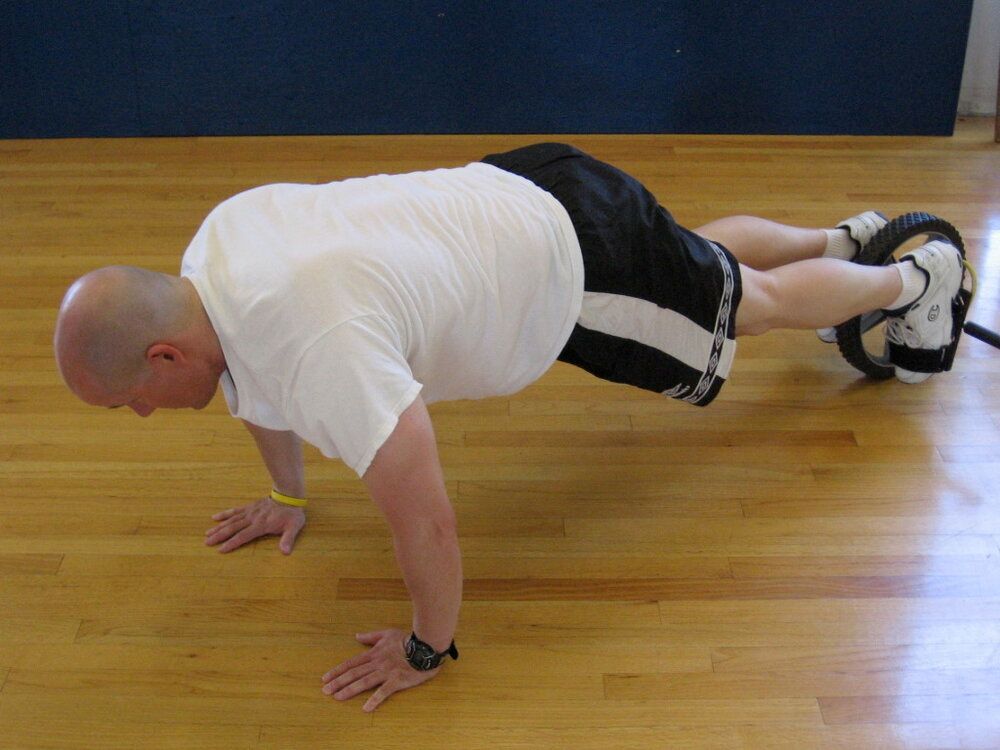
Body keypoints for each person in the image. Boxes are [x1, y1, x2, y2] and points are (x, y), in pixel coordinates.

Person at [53, 143, 963, 712]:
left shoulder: (320, 348)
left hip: (570, 271)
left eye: (124, 399)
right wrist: (288, 492)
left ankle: (916, 282)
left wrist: (427, 645)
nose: (135, 415)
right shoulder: (211, 256)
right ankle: (848, 240)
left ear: (165, 356)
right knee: (695, 262)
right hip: (524, 184)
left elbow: (428, 518)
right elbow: (254, 384)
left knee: (750, 305)